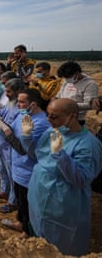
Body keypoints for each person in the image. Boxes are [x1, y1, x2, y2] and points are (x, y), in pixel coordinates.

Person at [21, 98, 102, 256]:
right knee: (39, 238)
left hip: (62, 205)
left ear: (72, 116)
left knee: (61, 247)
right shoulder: (52, 132)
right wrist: (26, 137)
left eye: (54, 116)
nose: (49, 120)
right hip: (39, 196)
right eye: (48, 115)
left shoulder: (88, 145)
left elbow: (82, 179)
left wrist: (60, 155)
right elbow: (36, 156)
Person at [0, 89, 50, 238]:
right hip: (18, 167)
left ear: (33, 104)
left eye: (21, 101)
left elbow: (24, 149)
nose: (18, 104)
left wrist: (4, 128)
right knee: (21, 200)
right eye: (17, 101)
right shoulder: (23, 114)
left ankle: (28, 232)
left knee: (27, 203)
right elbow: (14, 129)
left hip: (28, 171)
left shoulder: (40, 123)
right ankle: (21, 223)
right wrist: (1, 123)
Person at [0, 78, 24, 214]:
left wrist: (1, 124)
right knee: (2, 169)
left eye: (9, 91)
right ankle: (4, 191)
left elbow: (14, 128)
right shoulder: (10, 103)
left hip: (10, 146)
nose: (6, 94)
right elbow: (1, 117)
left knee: (11, 173)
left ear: (18, 91)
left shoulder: (21, 107)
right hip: (1, 142)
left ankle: (13, 201)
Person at [55, 61, 99, 125]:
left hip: (77, 119)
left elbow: (90, 105)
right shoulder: (66, 81)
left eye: (68, 77)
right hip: (63, 115)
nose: (66, 79)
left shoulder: (89, 84)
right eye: (65, 77)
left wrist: (69, 106)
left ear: (77, 73)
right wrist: (55, 99)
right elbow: (60, 94)